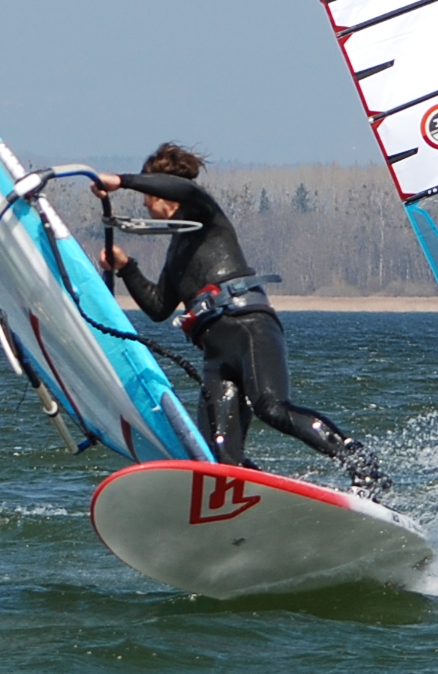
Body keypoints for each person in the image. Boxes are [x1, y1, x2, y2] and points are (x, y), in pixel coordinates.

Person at [94, 144, 387, 496]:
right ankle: (261, 500)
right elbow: (158, 308)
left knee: (272, 408)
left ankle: (365, 468)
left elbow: (182, 188)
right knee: (218, 453)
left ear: (158, 190)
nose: (143, 204)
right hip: (216, 353)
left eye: (146, 194)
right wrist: (127, 267)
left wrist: (122, 181)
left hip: (248, 328)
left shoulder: (203, 212)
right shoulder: (177, 250)